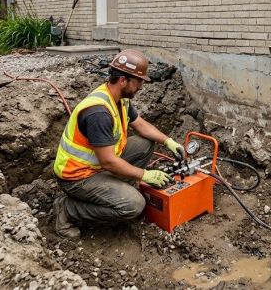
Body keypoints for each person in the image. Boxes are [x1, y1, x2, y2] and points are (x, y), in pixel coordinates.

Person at [52, 48, 185, 238]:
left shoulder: (119, 99)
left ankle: (118, 190)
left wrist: (168, 141)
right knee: (134, 205)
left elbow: (140, 125)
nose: (141, 86)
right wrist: (144, 174)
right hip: (78, 176)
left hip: (98, 166)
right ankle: (67, 209)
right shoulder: (98, 112)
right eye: (139, 81)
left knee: (145, 143)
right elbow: (108, 161)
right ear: (123, 80)